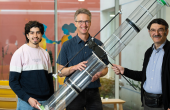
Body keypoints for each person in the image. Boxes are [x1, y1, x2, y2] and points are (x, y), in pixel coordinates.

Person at [112, 18, 170, 110]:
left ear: (167, 31)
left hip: (165, 105)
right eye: (153, 30)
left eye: (160, 30)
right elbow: (143, 75)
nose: (156, 33)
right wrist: (124, 71)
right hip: (147, 102)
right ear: (149, 32)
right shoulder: (148, 52)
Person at [57, 8, 108, 110]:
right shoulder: (67, 45)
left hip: (93, 92)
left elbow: (105, 69)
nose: (84, 25)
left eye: (86, 21)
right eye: (80, 21)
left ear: (90, 23)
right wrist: (74, 68)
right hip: (73, 92)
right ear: (75, 23)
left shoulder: (98, 44)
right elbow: (60, 72)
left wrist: (99, 74)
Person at [9, 21, 54, 110]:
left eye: (38, 32)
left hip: (45, 102)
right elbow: (13, 82)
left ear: (41, 35)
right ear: (27, 35)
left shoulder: (45, 54)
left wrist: (52, 101)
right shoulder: (19, 53)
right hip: (26, 103)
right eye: (32, 33)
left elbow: (49, 80)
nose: (35, 36)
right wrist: (28, 99)